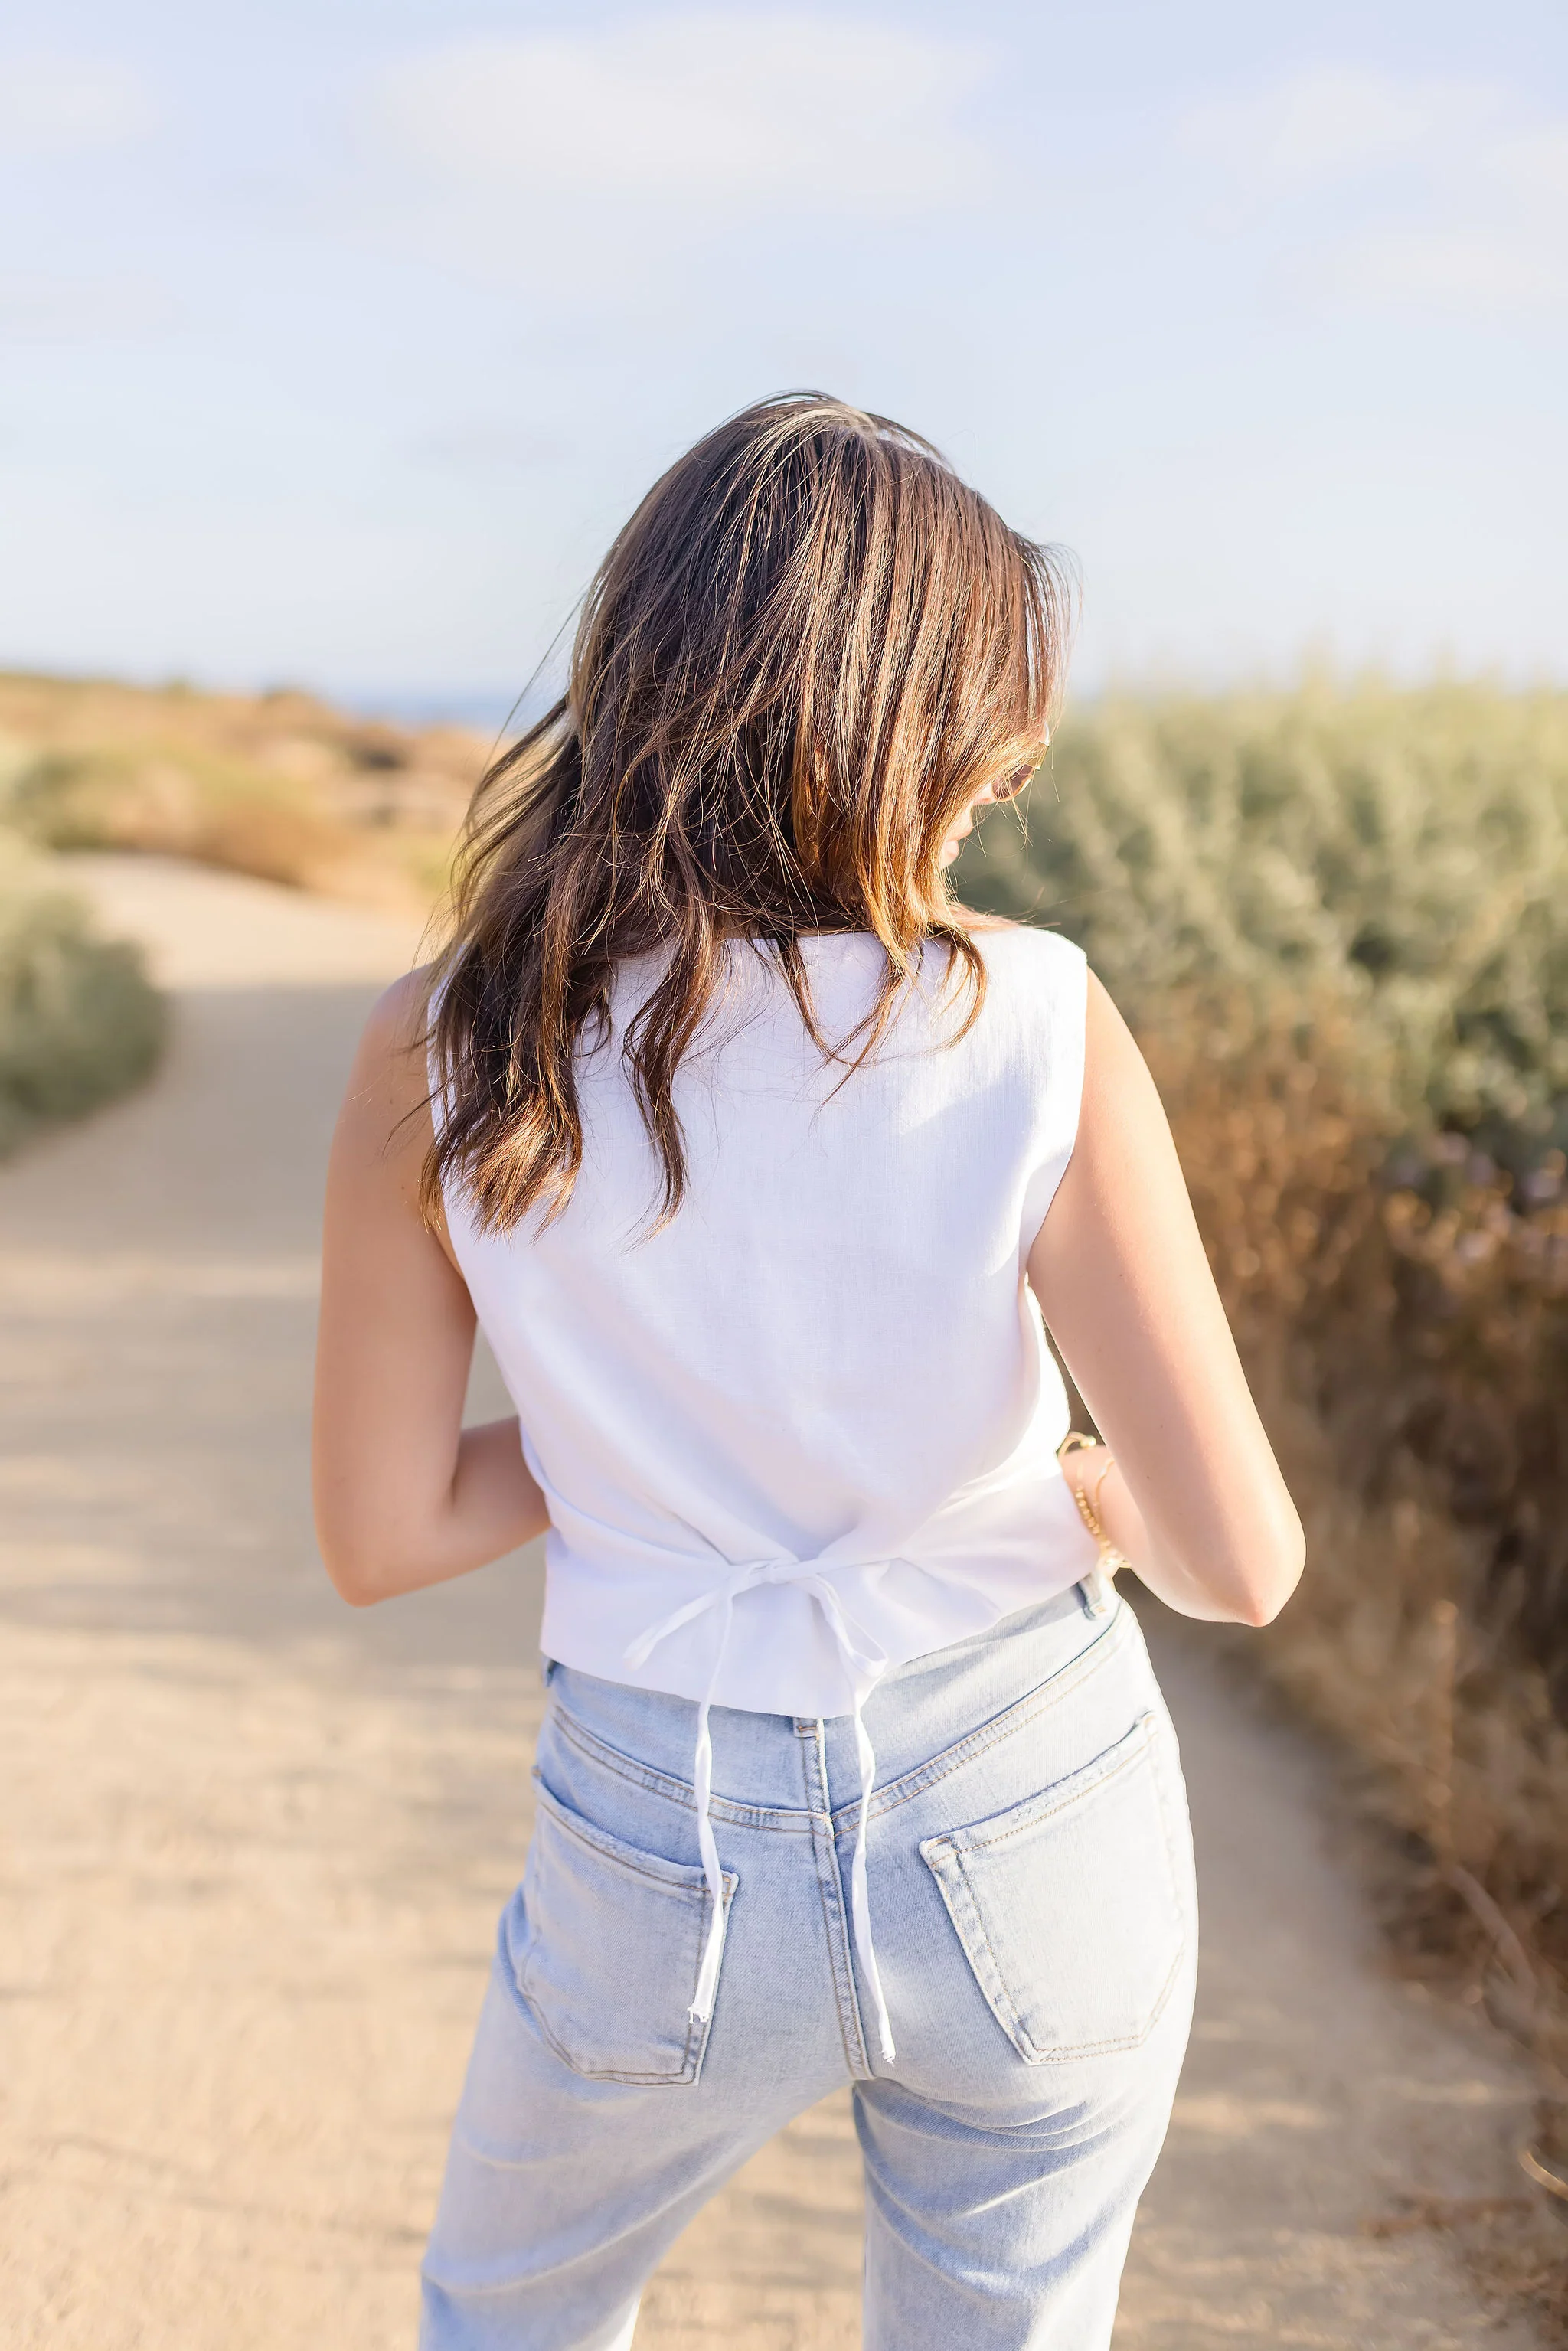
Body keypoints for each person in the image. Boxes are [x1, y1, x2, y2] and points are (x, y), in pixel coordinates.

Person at [312, 393, 1304, 2351]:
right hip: (1031, 1805)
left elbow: (385, 1530)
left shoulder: (445, 1043)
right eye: (989, 759)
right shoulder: (1034, 1020)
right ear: (907, 735)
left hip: (651, 1843)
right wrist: (1083, 1491)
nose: (991, 800)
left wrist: (626, 1428)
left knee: (505, 2313)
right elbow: (1240, 1562)